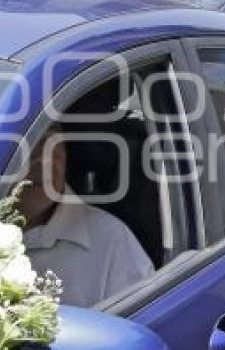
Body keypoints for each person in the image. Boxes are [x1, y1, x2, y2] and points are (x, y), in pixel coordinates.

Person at [19, 123, 154, 308]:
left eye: (50, 141)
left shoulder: (110, 240)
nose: (43, 159)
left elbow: (139, 328)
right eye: (26, 145)